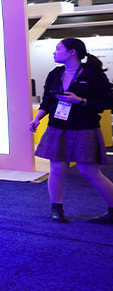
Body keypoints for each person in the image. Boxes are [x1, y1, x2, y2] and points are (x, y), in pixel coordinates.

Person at [30, 38, 113, 222]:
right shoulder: (55, 74)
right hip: (57, 126)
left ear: (72, 52)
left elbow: (108, 101)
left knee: (88, 171)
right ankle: (56, 208)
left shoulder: (93, 74)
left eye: (58, 49)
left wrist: (80, 101)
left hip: (84, 127)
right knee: (57, 168)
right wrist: (37, 118)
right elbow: (48, 101)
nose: (54, 52)